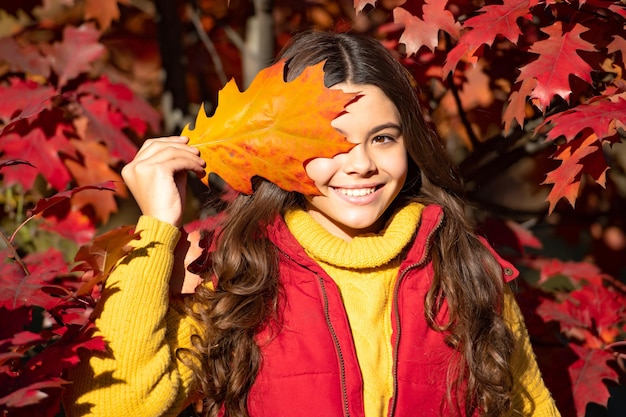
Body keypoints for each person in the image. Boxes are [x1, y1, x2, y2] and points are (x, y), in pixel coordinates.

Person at [64, 31, 561, 417]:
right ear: (283, 150)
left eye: (383, 139)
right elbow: (115, 406)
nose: (361, 164)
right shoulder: (234, 273)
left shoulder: (463, 265)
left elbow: (531, 405)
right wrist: (157, 226)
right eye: (333, 143)